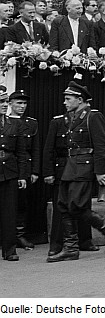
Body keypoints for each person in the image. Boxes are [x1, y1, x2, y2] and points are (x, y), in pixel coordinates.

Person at [46, 82, 105, 262]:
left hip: (84, 167)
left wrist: (100, 172)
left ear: (80, 100)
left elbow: (102, 146)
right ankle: (71, 248)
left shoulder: (93, 117)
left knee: (78, 206)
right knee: (63, 206)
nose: (65, 102)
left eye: (68, 99)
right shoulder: (71, 117)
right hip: (69, 168)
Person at [4, 90, 38, 252]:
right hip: (7, 166)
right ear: (10, 104)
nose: (22, 106)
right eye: (19, 103)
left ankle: (19, 235)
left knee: (21, 203)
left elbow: (34, 149)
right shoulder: (6, 121)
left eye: (24, 103)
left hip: (24, 167)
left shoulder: (31, 123)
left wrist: (35, 171)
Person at [0, 89, 31, 261]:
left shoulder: (15, 124)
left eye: (5, 102)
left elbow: (21, 152)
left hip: (9, 172)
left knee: (9, 213)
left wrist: (21, 176)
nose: (4, 105)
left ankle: (10, 250)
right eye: (0, 102)